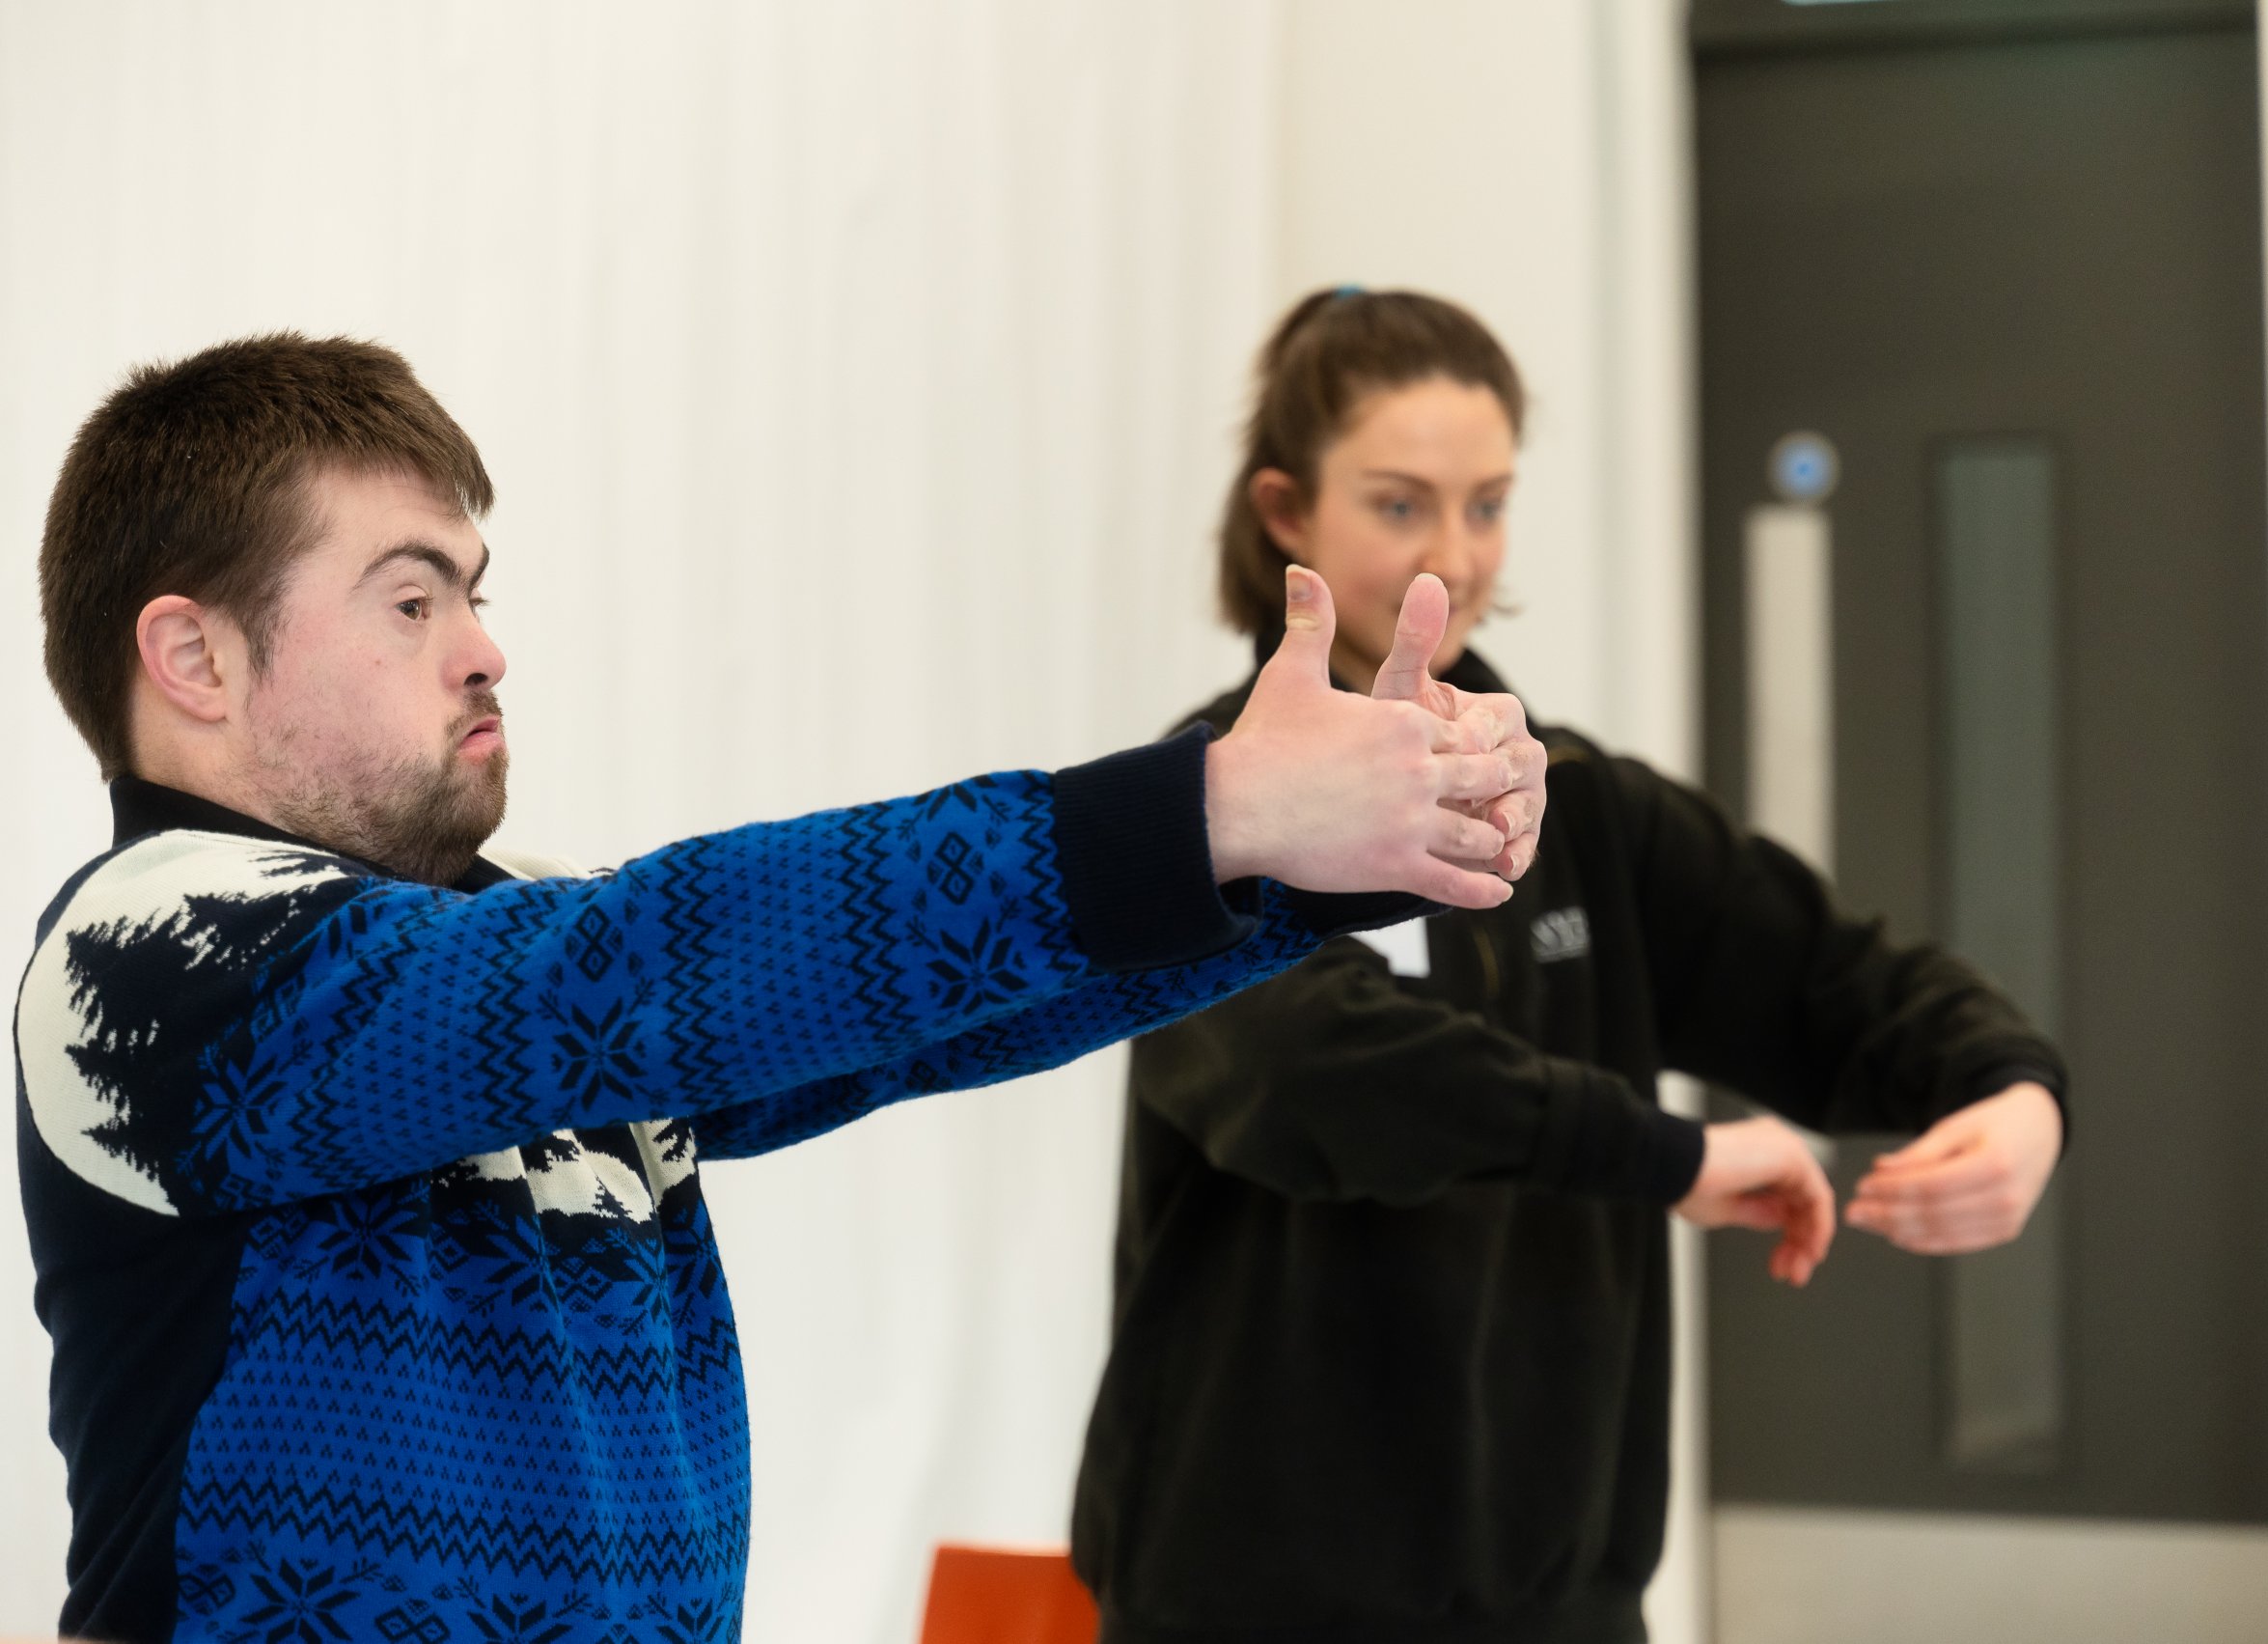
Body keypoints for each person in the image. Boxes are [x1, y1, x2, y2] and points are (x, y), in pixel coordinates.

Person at [13, 333, 1549, 1644]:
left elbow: (897, 1018)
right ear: (193, 659)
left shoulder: (502, 928)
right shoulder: (146, 962)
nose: (485, 649)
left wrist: (1298, 876)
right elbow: (640, 969)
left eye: (476, 594)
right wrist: (1209, 809)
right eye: (412, 602)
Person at [1068, 289, 2070, 1642]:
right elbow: (1332, 1081)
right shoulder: (1190, 819)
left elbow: (1838, 985)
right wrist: (1671, 1157)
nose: (1453, 558)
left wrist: (2012, 1092)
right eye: (1400, 504)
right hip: (1250, 1596)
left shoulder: (1585, 809)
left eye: (1487, 505)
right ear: (1287, 514)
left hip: (1557, 1598)